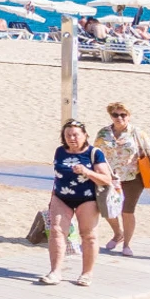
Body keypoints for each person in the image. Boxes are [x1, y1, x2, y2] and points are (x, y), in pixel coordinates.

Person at [41, 118, 110, 286]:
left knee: (88, 235)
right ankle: (55, 272)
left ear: (85, 135)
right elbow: (57, 176)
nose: (72, 138)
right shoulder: (60, 151)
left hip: (87, 198)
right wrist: (52, 197)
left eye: (76, 135)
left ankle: (86, 273)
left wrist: (87, 171)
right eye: (68, 135)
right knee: (56, 231)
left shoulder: (94, 153)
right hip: (61, 197)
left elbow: (106, 179)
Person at [95, 102, 150, 256]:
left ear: (129, 116)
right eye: (115, 115)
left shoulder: (137, 133)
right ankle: (118, 234)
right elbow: (95, 153)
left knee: (127, 211)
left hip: (133, 177)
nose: (119, 118)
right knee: (107, 208)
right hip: (109, 177)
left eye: (123, 115)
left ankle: (127, 244)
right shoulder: (103, 133)